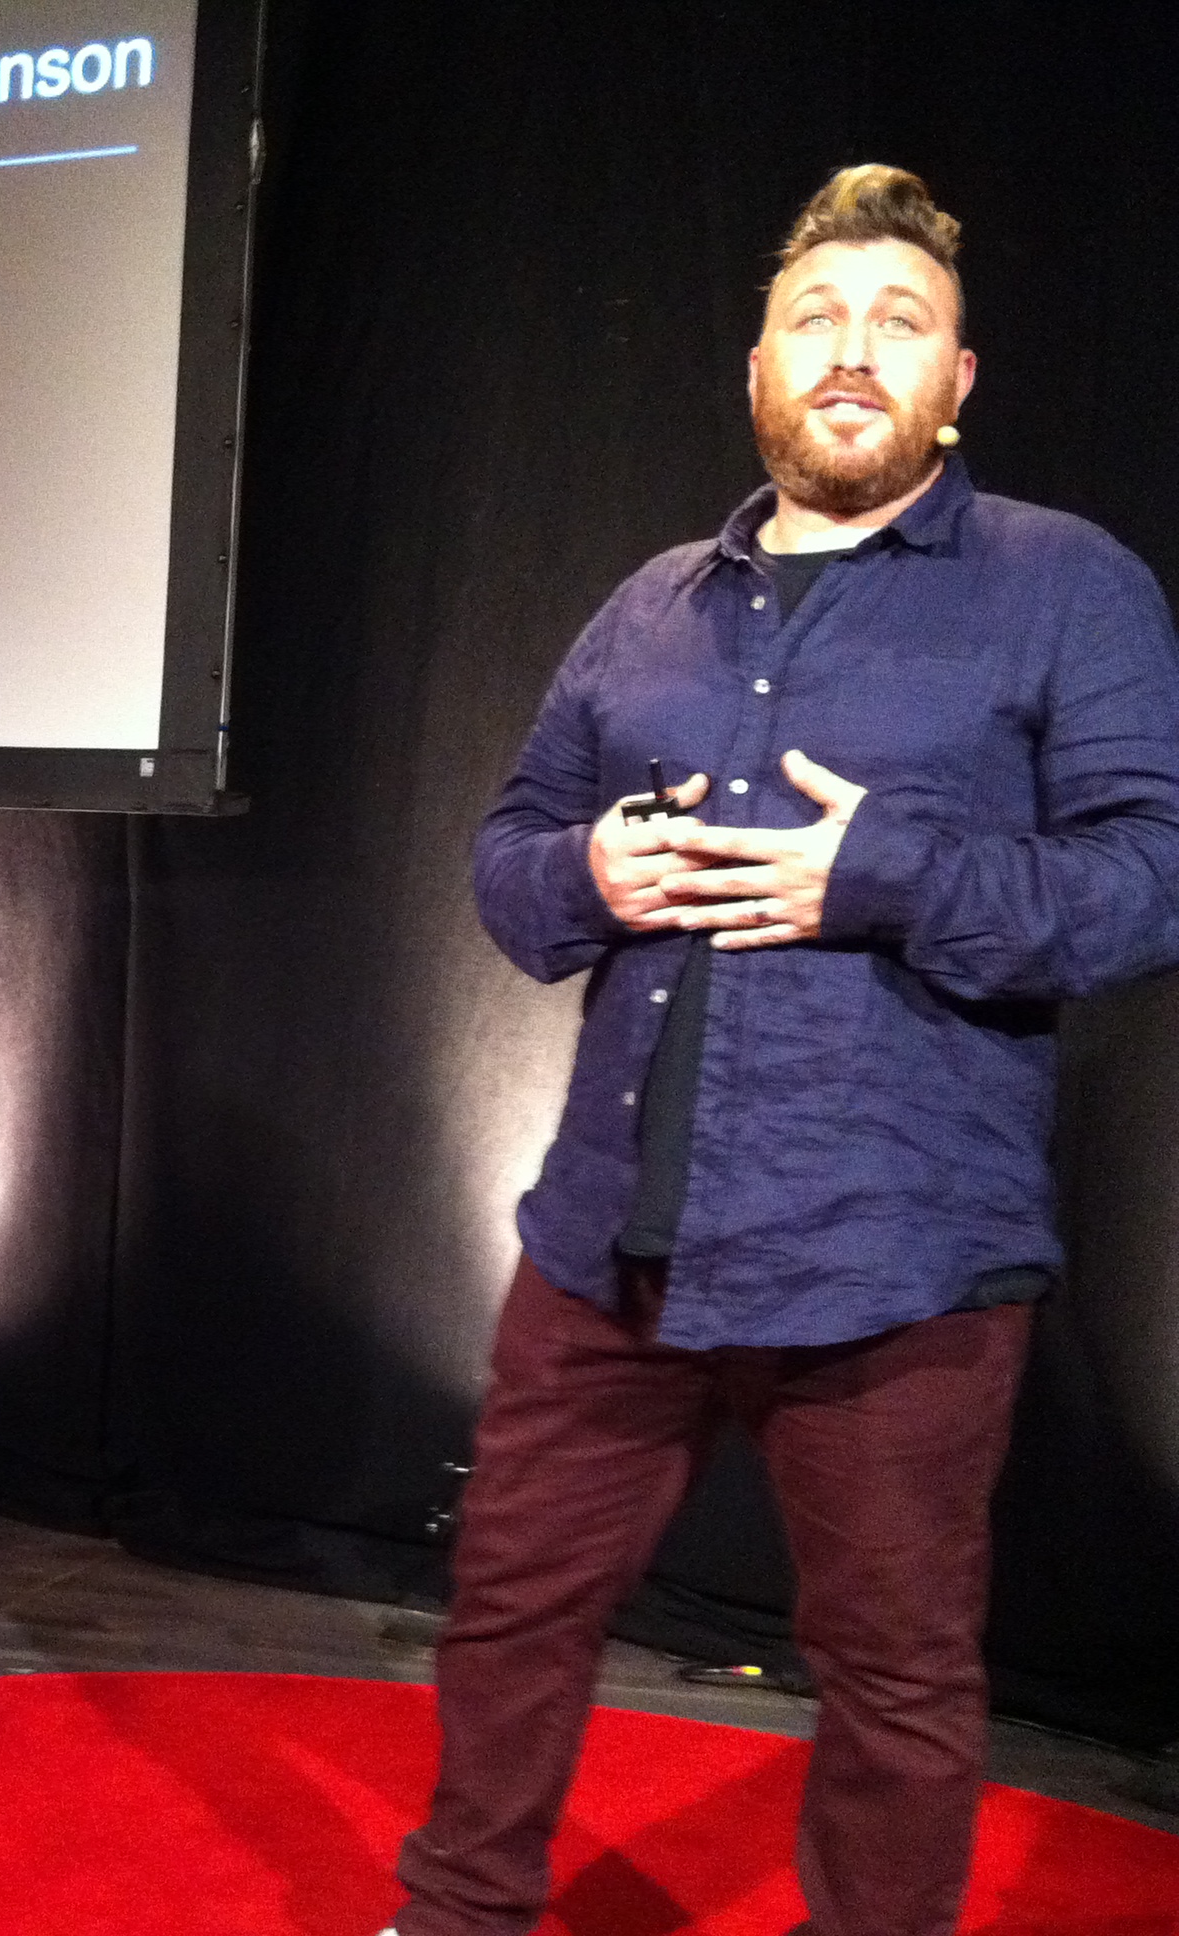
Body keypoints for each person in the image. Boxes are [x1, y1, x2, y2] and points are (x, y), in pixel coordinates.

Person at [382, 165, 1179, 1936]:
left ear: (958, 379)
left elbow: (1147, 883)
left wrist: (880, 875)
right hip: (610, 1242)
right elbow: (509, 856)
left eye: (900, 322)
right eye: (816, 319)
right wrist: (587, 874)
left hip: (896, 1259)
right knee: (511, 1608)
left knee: (894, 1671)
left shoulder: (1065, 583)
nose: (852, 350)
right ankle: (457, 1913)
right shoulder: (650, 603)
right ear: (758, 368)